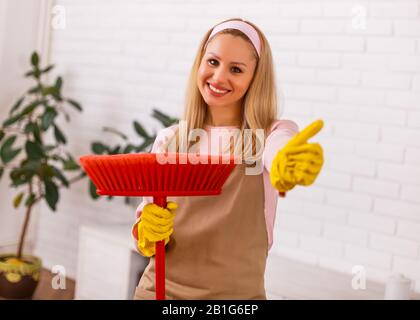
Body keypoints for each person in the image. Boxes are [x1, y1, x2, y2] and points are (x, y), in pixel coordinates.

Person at [131, 18, 324, 300]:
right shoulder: (170, 140)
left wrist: (286, 160)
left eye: (236, 69)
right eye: (212, 62)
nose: (219, 77)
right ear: (199, 63)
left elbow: (280, 148)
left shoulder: (269, 135)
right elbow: (143, 229)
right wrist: (145, 233)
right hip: (159, 293)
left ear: (255, 78)